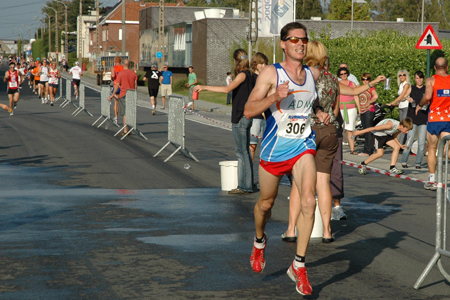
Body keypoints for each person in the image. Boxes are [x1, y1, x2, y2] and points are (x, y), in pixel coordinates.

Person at [243, 22, 325, 296]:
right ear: (283, 44)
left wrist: (320, 112)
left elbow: (309, 102)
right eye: (293, 40)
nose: (300, 44)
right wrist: (273, 98)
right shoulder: (271, 72)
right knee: (266, 204)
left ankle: (299, 265)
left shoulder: (312, 74)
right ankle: (258, 241)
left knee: (309, 199)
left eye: (303, 40)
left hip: (302, 145)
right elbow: (248, 110)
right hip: (274, 149)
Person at [281, 41, 386, 244]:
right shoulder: (331, 78)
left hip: (306, 130)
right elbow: (354, 92)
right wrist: (373, 83)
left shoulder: (304, 75)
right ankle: (327, 230)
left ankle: (291, 229)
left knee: (298, 183)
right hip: (329, 132)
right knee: (323, 182)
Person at [195, 49, 257, 194]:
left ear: (235, 61)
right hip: (247, 116)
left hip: (240, 116)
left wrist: (204, 87)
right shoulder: (252, 75)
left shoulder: (243, 75)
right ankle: (248, 183)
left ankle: (244, 186)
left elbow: (226, 89)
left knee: (241, 153)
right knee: (246, 153)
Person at [416, 57, 450, 190]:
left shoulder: (431, 80)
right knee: (447, 150)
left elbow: (428, 96)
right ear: (447, 67)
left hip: (435, 118)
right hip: (448, 118)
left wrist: (420, 104)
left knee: (432, 148)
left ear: (435, 68)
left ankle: (432, 179)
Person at [400, 71, 427, 169]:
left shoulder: (426, 89)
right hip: (412, 119)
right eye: (417, 78)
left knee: (421, 142)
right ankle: (404, 160)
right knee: (409, 139)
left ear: (423, 79)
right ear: (414, 79)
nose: (419, 80)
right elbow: (402, 98)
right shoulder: (412, 88)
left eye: (420, 78)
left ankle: (418, 162)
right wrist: (407, 98)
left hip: (423, 118)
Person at [107, 59, 137, 136]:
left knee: (125, 113)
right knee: (130, 112)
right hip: (132, 95)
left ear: (123, 65)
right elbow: (135, 85)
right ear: (130, 65)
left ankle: (125, 130)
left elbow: (117, 84)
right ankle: (130, 129)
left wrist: (112, 94)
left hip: (124, 94)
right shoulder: (133, 73)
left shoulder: (121, 73)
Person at [249, 52, 268, 162]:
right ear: (255, 63)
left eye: (265, 63)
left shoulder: (265, 78)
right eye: (261, 63)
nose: (263, 66)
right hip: (255, 117)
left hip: (265, 117)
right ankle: (249, 174)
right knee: (252, 147)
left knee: (265, 148)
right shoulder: (251, 77)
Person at [338, 66, 360, 154]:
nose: (343, 75)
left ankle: (352, 149)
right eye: (341, 74)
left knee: (350, 129)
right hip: (340, 108)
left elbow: (356, 96)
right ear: (339, 75)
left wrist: (359, 109)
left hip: (351, 108)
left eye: (345, 73)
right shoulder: (338, 83)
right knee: (338, 128)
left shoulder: (352, 83)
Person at [388, 70, 411, 144]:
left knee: (404, 125)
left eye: (403, 75)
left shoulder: (407, 84)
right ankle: (402, 143)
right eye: (400, 75)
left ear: (406, 76)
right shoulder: (401, 85)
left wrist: (392, 103)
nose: (402, 76)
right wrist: (397, 103)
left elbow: (402, 95)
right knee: (402, 125)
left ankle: (401, 143)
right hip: (401, 106)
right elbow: (401, 98)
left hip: (406, 106)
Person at [359, 73, 379, 156]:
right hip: (363, 111)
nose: (365, 81)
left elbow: (376, 96)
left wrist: (369, 102)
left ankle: (368, 151)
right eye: (363, 79)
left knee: (368, 130)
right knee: (365, 130)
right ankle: (366, 149)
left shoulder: (371, 87)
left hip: (369, 110)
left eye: (367, 79)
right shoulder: (361, 88)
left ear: (370, 80)